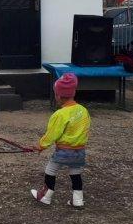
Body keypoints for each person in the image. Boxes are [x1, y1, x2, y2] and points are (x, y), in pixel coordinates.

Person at [30, 73, 90, 208]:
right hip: (80, 151)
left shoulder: (60, 114)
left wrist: (41, 146)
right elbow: (86, 129)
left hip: (64, 151)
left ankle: (46, 196)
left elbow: (52, 134)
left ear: (58, 95)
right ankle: (78, 199)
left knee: (50, 169)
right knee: (76, 172)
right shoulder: (83, 110)